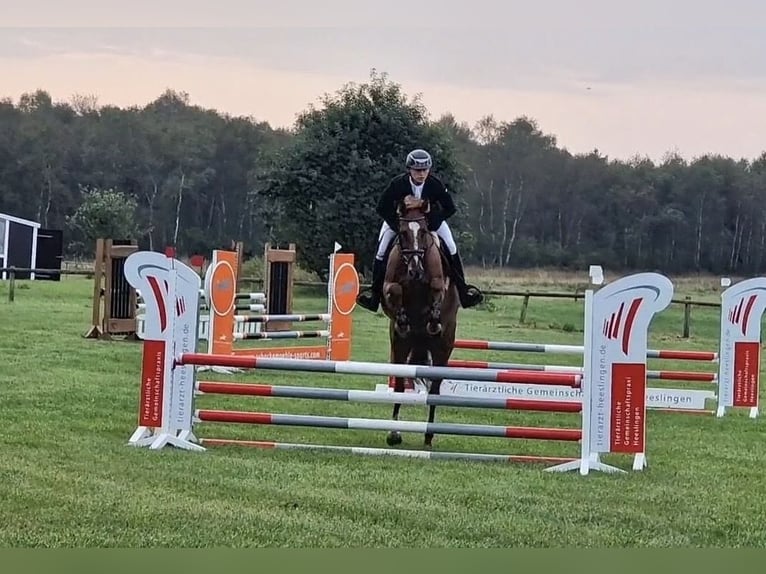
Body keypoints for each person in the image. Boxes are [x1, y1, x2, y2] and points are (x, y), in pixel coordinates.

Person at [356, 148, 483, 312]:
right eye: (417, 170)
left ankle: (463, 291)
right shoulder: (398, 184)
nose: (421, 174)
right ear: (410, 170)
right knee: (381, 250)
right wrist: (398, 226)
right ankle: (374, 295)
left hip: (428, 222)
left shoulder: (434, 184)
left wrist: (432, 221)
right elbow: (382, 207)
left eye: (425, 170)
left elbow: (450, 208)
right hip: (399, 222)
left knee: (451, 247)